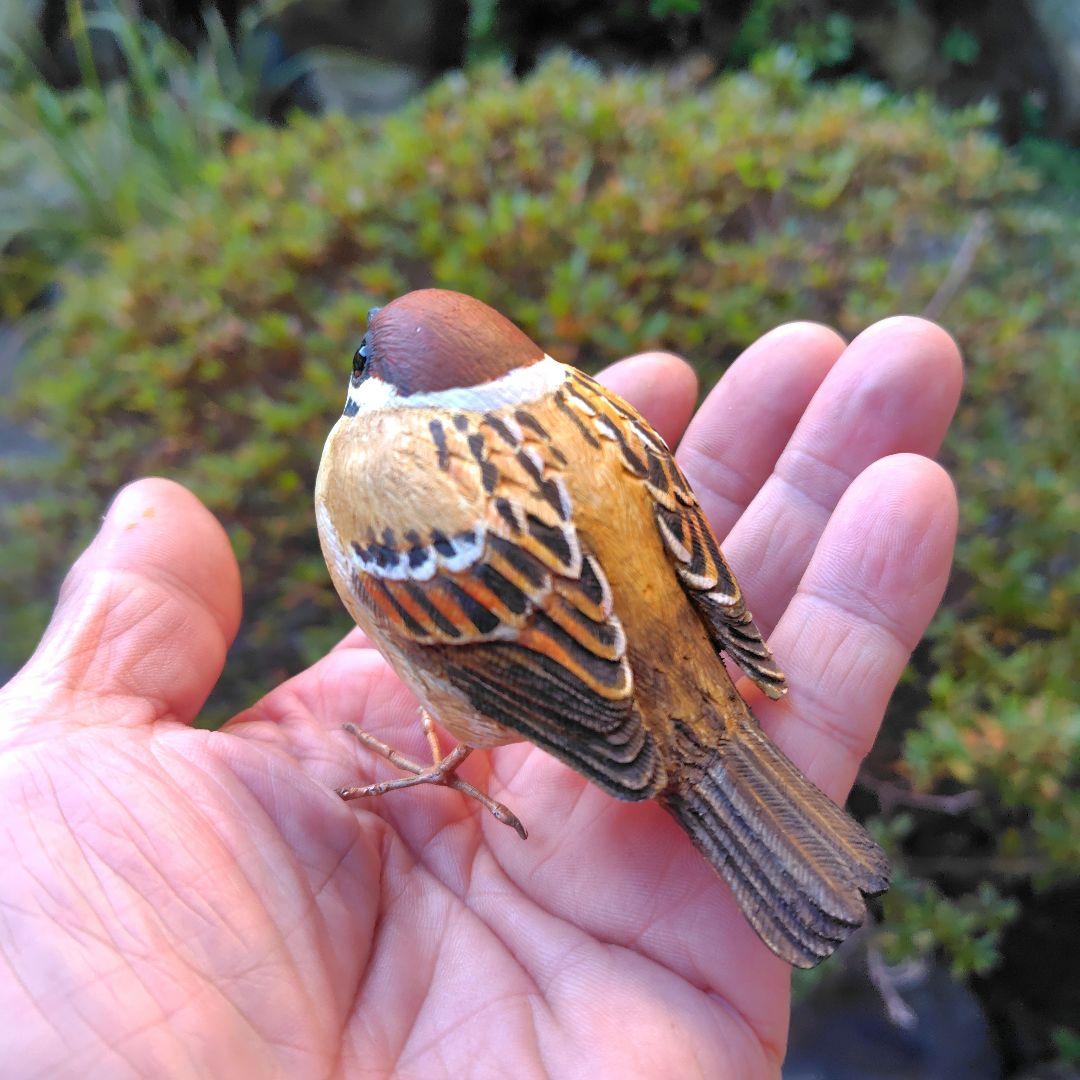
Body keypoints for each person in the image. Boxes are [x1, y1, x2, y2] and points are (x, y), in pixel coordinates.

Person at [0, 316, 961, 1077]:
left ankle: (473, 759)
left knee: (637, 728)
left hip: (548, 664)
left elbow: (481, 625)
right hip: (675, 615)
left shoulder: (367, 471)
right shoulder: (588, 402)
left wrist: (564, 722)